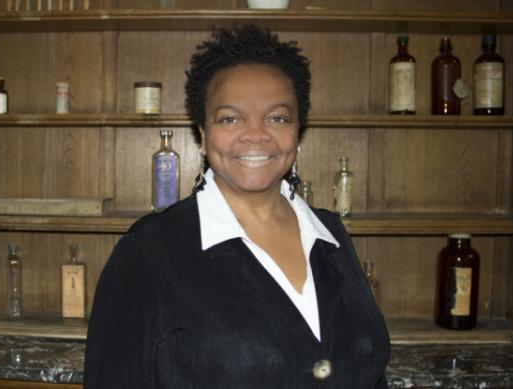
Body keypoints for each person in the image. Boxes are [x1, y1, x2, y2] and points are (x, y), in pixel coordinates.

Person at [84, 25, 390, 388]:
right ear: (201, 133)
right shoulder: (149, 252)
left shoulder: (331, 235)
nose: (256, 134)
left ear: (298, 131)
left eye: (277, 117)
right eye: (230, 118)